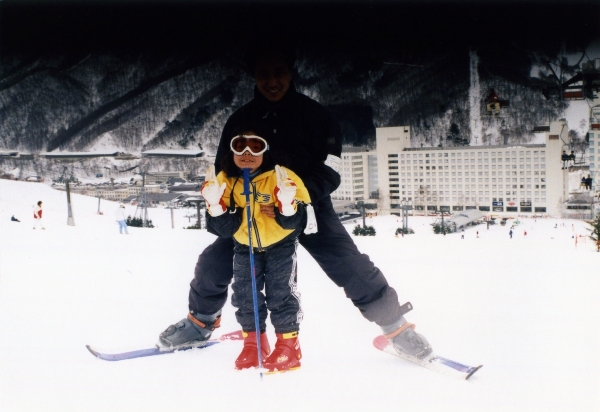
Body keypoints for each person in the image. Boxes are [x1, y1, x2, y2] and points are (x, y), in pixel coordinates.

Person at [158, 47, 432, 363]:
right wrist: (225, 204)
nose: (272, 81)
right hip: (252, 211)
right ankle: (201, 322)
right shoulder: (241, 120)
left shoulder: (317, 116)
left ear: (290, 74)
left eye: (279, 73)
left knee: (349, 264)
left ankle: (396, 327)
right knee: (213, 263)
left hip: (309, 208)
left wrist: (292, 199)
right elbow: (225, 169)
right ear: (255, 77)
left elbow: (330, 170)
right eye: (264, 74)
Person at [201, 130, 311, 371]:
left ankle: (288, 344)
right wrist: (216, 205)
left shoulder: (281, 176)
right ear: (231, 151)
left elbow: (300, 221)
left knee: (280, 291)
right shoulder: (225, 180)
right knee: (245, 292)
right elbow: (224, 229)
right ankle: (254, 343)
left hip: (280, 243)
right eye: (240, 146)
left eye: (255, 147)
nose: (247, 153)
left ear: (266, 150)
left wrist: (286, 206)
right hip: (245, 245)